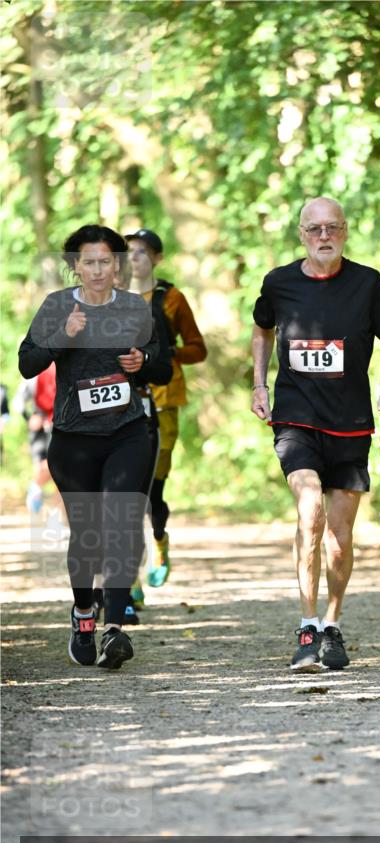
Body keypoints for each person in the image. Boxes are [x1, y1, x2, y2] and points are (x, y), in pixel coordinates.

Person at [251, 196, 380, 672]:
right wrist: (259, 384)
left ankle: (332, 625)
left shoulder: (367, 282)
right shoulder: (278, 283)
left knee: (339, 536)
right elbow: (261, 331)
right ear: (302, 234)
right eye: (315, 229)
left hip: (350, 422)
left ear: (345, 231)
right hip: (296, 418)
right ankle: (306, 625)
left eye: (332, 228)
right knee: (309, 509)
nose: (324, 236)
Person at [18, 224, 160, 669]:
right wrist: (63, 335)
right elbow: (26, 363)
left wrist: (144, 361)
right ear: (75, 266)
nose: (98, 270)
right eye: (89, 262)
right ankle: (84, 614)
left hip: (127, 431)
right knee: (87, 534)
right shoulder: (58, 305)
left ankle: (114, 628)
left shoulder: (134, 307)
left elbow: (162, 365)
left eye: (106, 261)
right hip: (74, 438)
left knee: (121, 521)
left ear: (117, 265)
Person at [124, 228, 207, 594]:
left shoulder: (171, 298)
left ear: (157, 258)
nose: (134, 258)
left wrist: (167, 354)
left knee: (152, 491)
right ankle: (129, 579)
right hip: (123, 402)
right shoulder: (110, 297)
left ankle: (159, 539)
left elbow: (198, 348)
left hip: (164, 400)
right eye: (128, 251)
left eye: (141, 252)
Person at [16, 363, 56, 513]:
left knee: (56, 466)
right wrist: (29, 418)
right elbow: (19, 402)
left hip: (56, 423)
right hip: (38, 427)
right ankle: (36, 493)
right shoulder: (33, 371)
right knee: (41, 466)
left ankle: (58, 511)